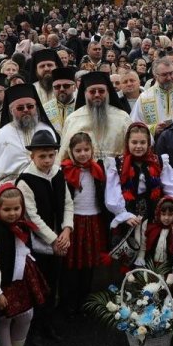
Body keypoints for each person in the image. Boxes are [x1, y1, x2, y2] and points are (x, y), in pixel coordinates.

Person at [0, 182, 48, 346]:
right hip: (2, 282)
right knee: (4, 319)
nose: (12, 213)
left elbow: (23, 247)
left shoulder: (20, 225)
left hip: (21, 278)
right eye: (7, 209)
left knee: (26, 314)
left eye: (16, 208)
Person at [16, 129, 72, 346]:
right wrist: (54, 240)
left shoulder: (57, 173)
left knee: (52, 285)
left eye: (51, 155)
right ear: (32, 156)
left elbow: (67, 202)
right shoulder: (26, 180)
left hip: (60, 239)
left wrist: (67, 229)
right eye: (42, 156)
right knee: (38, 287)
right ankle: (34, 331)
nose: (47, 160)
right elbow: (32, 216)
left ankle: (48, 324)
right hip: (40, 244)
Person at [104, 123, 173, 266]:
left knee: (152, 252)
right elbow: (112, 193)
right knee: (128, 258)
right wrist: (124, 215)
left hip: (154, 216)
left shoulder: (158, 162)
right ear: (127, 143)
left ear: (149, 143)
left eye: (142, 142)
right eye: (134, 142)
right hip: (129, 218)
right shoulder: (118, 164)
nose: (138, 146)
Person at [58, 132, 109, 312]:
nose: (83, 154)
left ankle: (85, 300)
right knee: (71, 263)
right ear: (71, 151)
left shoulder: (97, 169)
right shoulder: (65, 171)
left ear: (92, 150)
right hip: (73, 221)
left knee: (89, 261)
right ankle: (69, 303)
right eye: (78, 150)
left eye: (86, 149)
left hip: (93, 219)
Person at [0, 84, 58, 194]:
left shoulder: (47, 130)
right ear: (11, 111)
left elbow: (55, 166)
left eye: (30, 106)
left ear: (36, 107)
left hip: (46, 190)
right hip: (15, 195)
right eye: (20, 108)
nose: (26, 110)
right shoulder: (2, 136)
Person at [58, 71, 133, 160]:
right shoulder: (73, 119)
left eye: (101, 91)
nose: (97, 94)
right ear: (85, 93)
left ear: (108, 92)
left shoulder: (122, 118)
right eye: (92, 92)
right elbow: (64, 155)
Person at [42, 67, 78, 134]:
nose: (61, 89)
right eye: (57, 87)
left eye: (66, 86)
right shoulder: (45, 109)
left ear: (74, 87)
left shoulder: (80, 107)